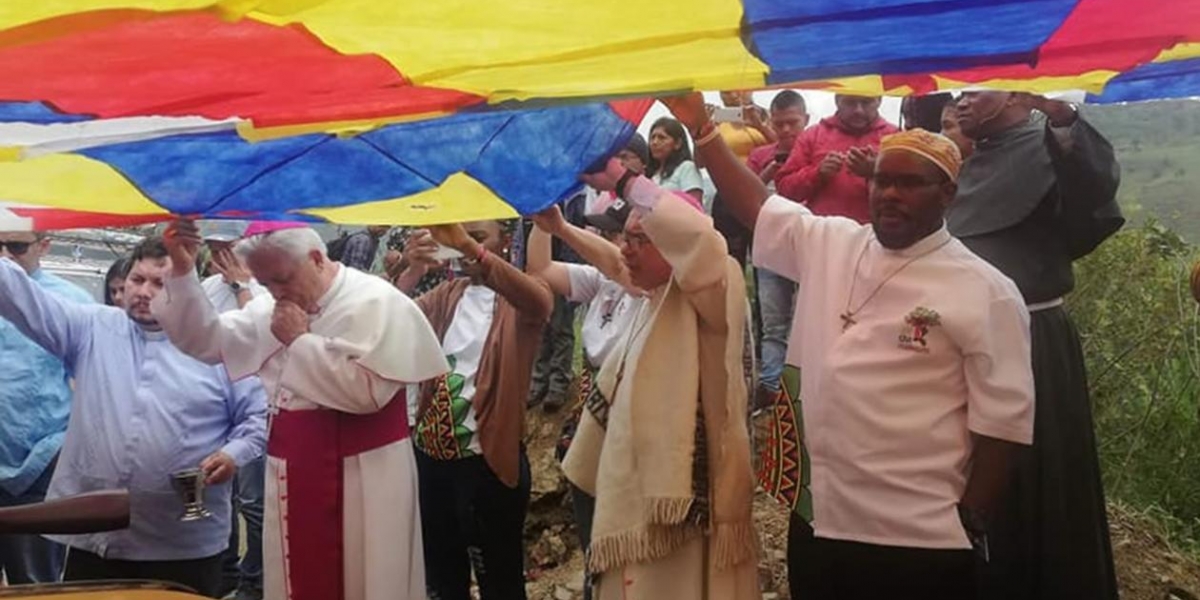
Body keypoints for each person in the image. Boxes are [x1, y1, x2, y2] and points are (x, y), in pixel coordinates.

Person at [664, 92, 1037, 599]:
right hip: (821, 518)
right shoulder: (833, 243)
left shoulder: (985, 291)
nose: (890, 194)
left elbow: (1004, 427)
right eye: (883, 180)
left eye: (911, 183)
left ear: (948, 193)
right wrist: (700, 125)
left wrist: (969, 518)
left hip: (919, 537)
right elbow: (757, 204)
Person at [154, 222, 447, 600]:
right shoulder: (273, 306)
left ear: (316, 258)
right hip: (293, 467)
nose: (275, 293)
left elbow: (366, 394)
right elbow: (206, 341)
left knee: (370, 578)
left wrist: (300, 341)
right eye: (265, 282)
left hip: (366, 473)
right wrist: (182, 269)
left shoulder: (377, 301)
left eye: (282, 280)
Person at [0, 237, 267, 596]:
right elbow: (17, 295)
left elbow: (257, 419)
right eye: (137, 279)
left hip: (183, 542)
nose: (143, 291)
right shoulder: (91, 327)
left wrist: (231, 456)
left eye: (160, 283)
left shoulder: (221, 344)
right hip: (93, 535)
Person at [951, 90, 1124, 600]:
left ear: (1010, 92)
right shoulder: (973, 155)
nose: (959, 103)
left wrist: (1064, 117)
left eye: (972, 91)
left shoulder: (1049, 144)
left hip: (1032, 343)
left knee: (1036, 486)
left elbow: (1095, 192)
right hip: (962, 345)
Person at [561, 157, 759, 600]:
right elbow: (612, 263)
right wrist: (558, 227)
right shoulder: (654, 298)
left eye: (640, 239)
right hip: (635, 497)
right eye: (624, 238)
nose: (626, 249)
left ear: (677, 247)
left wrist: (626, 181)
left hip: (682, 514)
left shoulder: (711, 293)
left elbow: (703, 242)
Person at [395, 220, 552, 600]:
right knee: (444, 578)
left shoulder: (518, 300)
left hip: (487, 465)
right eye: (459, 238)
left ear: (506, 242)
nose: (464, 248)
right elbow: (388, 320)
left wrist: (470, 249)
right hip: (433, 461)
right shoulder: (448, 294)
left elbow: (540, 302)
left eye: (479, 238)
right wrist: (412, 269)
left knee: (499, 579)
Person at [526, 196, 648, 600]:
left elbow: (623, 268)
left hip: (633, 416)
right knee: (589, 508)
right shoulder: (601, 283)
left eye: (619, 235)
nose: (607, 240)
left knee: (625, 522)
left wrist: (562, 228)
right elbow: (541, 270)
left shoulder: (657, 289)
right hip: (592, 410)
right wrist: (541, 224)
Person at [0, 231, 93, 584]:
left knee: (35, 583)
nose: (6, 256)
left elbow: (93, 383)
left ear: (44, 245)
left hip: (40, 465)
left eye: (18, 246)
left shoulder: (70, 304)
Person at [195, 223, 269, 600]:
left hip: (256, 408)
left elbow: (262, 336)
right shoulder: (205, 289)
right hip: (212, 404)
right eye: (213, 247)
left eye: (228, 246)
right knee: (216, 494)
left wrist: (243, 287)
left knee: (254, 502)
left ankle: (255, 580)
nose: (220, 255)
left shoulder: (266, 287)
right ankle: (226, 572)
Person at [744, 91, 810, 410]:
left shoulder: (815, 151)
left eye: (792, 123)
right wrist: (770, 169)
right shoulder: (760, 155)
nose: (785, 130)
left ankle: (807, 390)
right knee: (774, 323)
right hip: (770, 249)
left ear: (806, 120)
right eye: (779, 123)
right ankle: (770, 390)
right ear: (770, 121)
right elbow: (744, 193)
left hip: (811, 246)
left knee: (811, 318)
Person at [776, 94, 900, 223]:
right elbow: (785, 190)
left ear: (879, 100)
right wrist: (817, 174)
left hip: (876, 236)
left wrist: (875, 174)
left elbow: (910, 194)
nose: (858, 110)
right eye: (850, 102)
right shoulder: (813, 135)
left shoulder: (896, 137)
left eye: (866, 102)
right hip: (822, 234)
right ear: (837, 101)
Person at [646, 117, 704, 202]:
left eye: (661, 138)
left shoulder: (686, 168)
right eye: (652, 138)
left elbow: (694, 204)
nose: (655, 142)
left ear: (677, 144)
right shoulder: (650, 176)